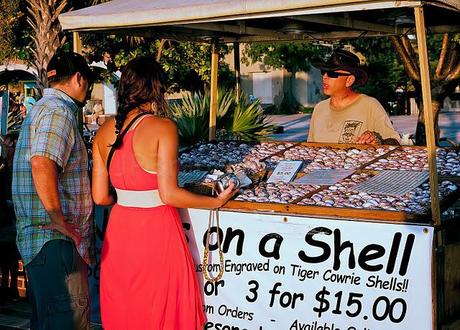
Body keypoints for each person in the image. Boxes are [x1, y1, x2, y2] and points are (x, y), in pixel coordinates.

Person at [92, 56, 235, 329]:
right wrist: (215, 201)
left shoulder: (103, 131)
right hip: (156, 231)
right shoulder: (162, 127)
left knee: (126, 310)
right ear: (157, 89)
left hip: (120, 231)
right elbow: (169, 194)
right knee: (162, 310)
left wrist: (126, 196)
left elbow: (100, 197)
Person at [12, 51, 94, 329]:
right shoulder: (58, 111)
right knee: (65, 322)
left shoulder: (43, 109)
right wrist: (58, 220)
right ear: (78, 78)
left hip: (45, 241)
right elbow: (43, 162)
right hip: (54, 243)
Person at [307, 49, 400, 145]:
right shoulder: (319, 108)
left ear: (349, 80)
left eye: (332, 74)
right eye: (323, 72)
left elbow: (394, 143)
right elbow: (310, 148)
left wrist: (377, 141)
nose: (325, 77)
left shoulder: (370, 105)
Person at [0, 133, 19, 303]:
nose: (6, 150)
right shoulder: (4, 166)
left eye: (9, 146)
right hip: (4, 216)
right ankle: (6, 286)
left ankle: (11, 287)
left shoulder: (19, 166)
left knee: (10, 251)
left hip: (14, 217)